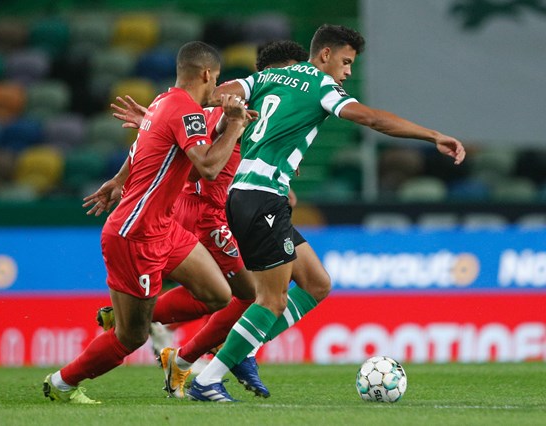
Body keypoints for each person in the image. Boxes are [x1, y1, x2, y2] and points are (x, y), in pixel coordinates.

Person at [187, 24, 466, 402]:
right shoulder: (321, 86)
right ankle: (208, 378)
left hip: (248, 195)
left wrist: (178, 113)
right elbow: (370, 118)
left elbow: (217, 94)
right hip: (262, 197)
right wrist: (432, 135)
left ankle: (240, 352)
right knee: (271, 300)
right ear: (324, 55)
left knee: (317, 283)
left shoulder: (268, 75)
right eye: (346, 62)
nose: (348, 72)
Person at [88, 40, 315, 399]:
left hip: (245, 207)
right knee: (252, 294)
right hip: (210, 213)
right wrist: (146, 128)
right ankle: (201, 358)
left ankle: (216, 352)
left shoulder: (281, 112)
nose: (303, 79)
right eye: (296, 72)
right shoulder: (237, 97)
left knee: (310, 281)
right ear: (276, 72)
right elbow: (188, 127)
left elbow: (174, 127)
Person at [42, 41, 249, 404]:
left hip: (164, 227)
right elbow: (208, 166)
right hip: (135, 235)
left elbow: (144, 143)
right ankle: (62, 383)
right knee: (132, 337)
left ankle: (122, 315)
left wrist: (121, 179)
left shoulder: (162, 101)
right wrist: (233, 125)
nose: (217, 89)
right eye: (215, 80)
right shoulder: (188, 112)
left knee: (219, 294)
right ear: (205, 74)